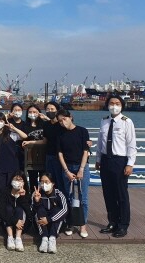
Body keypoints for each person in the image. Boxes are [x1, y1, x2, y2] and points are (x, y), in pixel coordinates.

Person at [96, 95, 137, 238]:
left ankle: (123, 225)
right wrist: (98, 159)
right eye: (112, 103)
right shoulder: (104, 121)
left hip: (120, 161)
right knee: (108, 194)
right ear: (107, 105)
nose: (114, 106)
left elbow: (131, 144)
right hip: (106, 160)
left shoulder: (127, 122)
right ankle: (112, 222)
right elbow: (100, 141)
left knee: (121, 195)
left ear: (122, 106)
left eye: (117, 103)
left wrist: (130, 164)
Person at [56, 110, 90, 238]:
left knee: (83, 197)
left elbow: (85, 151)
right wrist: (66, 171)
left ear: (71, 117)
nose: (62, 122)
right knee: (69, 197)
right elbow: (60, 153)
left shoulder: (82, 131)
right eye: (60, 120)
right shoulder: (60, 134)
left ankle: (83, 225)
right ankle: (70, 223)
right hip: (67, 167)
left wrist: (81, 169)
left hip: (82, 166)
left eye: (64, 119)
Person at [0, 171, 33, 252]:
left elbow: (29, 213)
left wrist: (22, 198)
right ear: (11, 180)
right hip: (7, 225)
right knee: (8, 208)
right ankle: (10, 237)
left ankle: (18, 238)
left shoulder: (26, 194)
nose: (17, 182)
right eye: (15, 179)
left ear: (24, 182)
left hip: (22, 226)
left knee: (19, 209)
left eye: (20, 180)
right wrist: (15, 221)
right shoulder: (5, 192)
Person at [33, 172, 68, 254]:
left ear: (52, 183)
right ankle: (44, 239)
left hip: (55, 224)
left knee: (57, 210)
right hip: (41, 225)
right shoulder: (37, 193)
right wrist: (37, 201)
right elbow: (32, 211)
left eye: (46, 182)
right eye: (41, 182)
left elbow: (65, 210)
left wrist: (48, 219)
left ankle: (52, 239)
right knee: (40, 209)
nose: (43, 184)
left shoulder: (59, 194)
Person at [0, 112, 27, 196]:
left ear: (5, 122)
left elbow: (24, 136)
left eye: (1, 120)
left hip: (12, 166)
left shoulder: (10, 134)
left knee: (11, 188)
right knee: (1, 189)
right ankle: (2, 206)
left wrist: (14, 128)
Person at [41, 101, 66, 200]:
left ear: (57, 110)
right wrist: (30, 143)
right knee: (50, 181)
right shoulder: (46, 125)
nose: (49, 111)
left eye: (52, 109)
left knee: (60, 182)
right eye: (47, 109)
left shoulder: (62, 124)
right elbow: (44, 141)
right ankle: (51, 203)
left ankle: (63, 203)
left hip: (60, 156)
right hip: (49, 156)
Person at [22, 104, 47, 187]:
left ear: (39, 113)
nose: (32, 113)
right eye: (30, 112)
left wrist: (46, 118)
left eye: (34, 112)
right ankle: (33, 196)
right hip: (31, 158)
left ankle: (43, 197)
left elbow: (54, 126)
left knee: (44, 178)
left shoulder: (44, 124)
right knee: (33, 180)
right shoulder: (25, 125)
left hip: (44, 157)